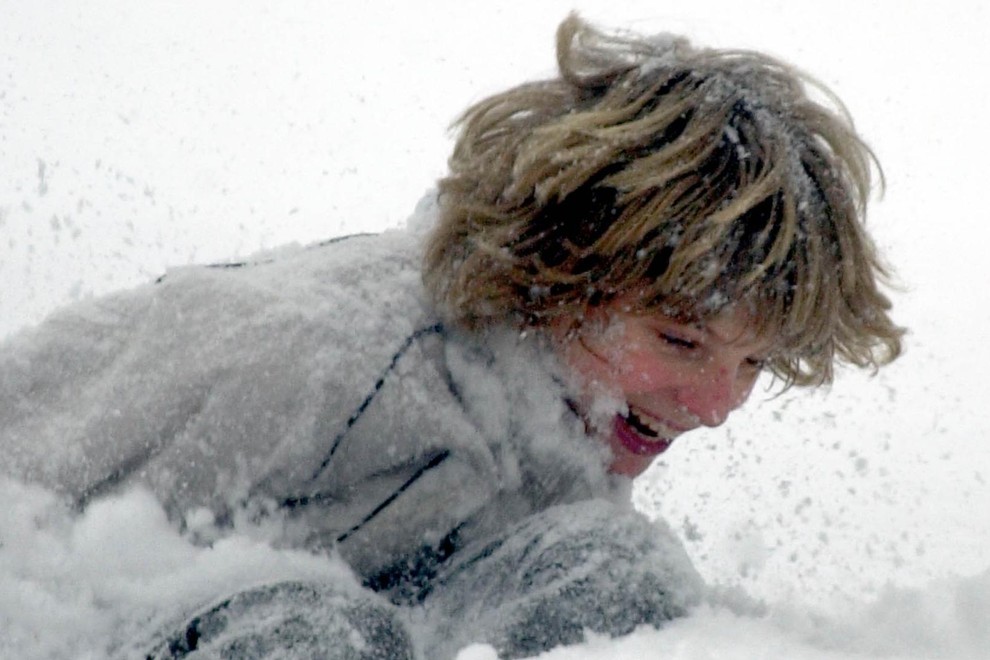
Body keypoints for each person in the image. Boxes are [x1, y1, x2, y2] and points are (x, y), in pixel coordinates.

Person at [0, 14, 902, 659]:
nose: (715, 409)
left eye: (753, 365)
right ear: (559, 268)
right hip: (110, 619)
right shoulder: (311, 355)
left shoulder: (566, 419)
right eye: (679, 341)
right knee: (306, 634)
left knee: (613, 569)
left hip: (403, 617)